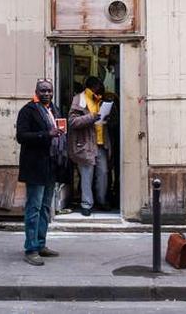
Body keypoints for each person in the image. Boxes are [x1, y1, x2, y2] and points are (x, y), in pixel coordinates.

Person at [16, 79, 66, 266]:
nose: (46, 93)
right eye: (42, 90)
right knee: (34, 208)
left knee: (45, 208)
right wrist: (46, 134)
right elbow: (21, 136)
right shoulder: (28, 110)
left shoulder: (55, 109)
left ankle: (41, 244)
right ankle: (31, 248)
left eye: (49, 90)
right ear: (36, 91)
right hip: (35, 166)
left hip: (51, 165)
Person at [68, 76, 111, 216]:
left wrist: (105, 117)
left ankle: (101, 200)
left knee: (103, 173)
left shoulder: (99, 100)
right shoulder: (79, 99)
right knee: (87, 175)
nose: (100, 89)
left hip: (100, 143)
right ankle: (86, 204)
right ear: (92, 87)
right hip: (86, 143)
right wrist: (92, 117)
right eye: (98, 86)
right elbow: (73, 121)